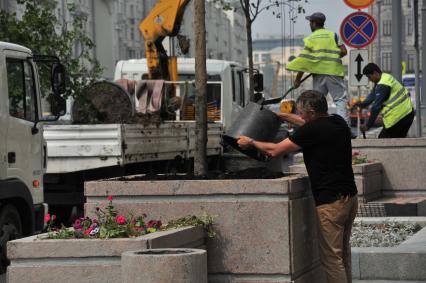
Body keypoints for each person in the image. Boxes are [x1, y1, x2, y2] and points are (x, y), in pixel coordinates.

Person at [238, 90, 358, 283]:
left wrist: (250, 141)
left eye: (301, 111)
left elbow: (275, 150)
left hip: (331, 203)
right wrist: (279, 115)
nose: (300, 115)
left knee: (331, 259)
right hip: (350, 197)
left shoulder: (311, 131)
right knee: (342, 253)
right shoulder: (337, 122)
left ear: (311, 112)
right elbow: (305, 124)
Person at [286, 12, 350, 127]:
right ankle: (344, 128)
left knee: (316, 102)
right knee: (340, 100)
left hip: (318, 74)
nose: (309, 25)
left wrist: (297, 80)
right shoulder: (333, 35)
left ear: (314, 23)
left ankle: (317, 127)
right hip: (333, 72)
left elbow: (305, 60)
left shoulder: (310, 39)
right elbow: (344, 51)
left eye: (310, 22)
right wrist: (331, 57)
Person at [354, 63, 415, 138]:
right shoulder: (384, 78)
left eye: (369, 77)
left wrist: (368, 125)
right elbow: (372, 96)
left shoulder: (383, 85)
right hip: (407, 113)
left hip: (399, 117)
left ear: (375, 73)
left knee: (383, 140)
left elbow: (376, 107)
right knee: (397, 141)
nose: (369, 80)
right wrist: (362, 104)